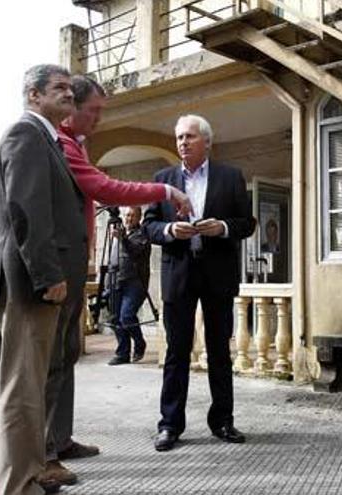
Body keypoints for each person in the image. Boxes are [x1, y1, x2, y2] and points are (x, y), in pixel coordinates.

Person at [38, 75, 193, 487]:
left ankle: (60, 439)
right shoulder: (50, 142)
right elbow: (103, 187)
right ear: (70, 107)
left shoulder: (73, 145)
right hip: (52, 272)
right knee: (48, 365)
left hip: (74, 270)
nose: (100, 118)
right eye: (94, 110)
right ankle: (43, 454)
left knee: (66, 358)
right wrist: (163, 189)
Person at [0, 64, 83, 495]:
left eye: (70, 89)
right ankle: (19, 486)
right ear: (33, 95)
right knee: (24, 392)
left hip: (26, 282)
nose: (69, 95)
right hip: (31, 287)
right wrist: (47, 275)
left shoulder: (46, 139)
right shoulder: (27, 134)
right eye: (59, 88)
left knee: (17, 388)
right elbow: (26, 210)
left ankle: (10, 478)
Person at [143, 114, 255, 451]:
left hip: (217, 274)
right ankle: (170, 425)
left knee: (220, 351)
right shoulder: (163, 180)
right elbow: (148, 225)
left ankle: (223, 421)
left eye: (189, 136)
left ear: (207, 141)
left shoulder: (230, 177)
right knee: (176, 353)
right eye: (179, 137)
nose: (182, 143)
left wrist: (221, 227)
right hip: (178, 273)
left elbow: (246, 223)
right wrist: (168, 231)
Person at [108, 206, 151, 365]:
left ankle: (139, 343)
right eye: (126, 215)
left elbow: (134, 251)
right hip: (116, 280)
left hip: (135, 283)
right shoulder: (118, 232)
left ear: (139, 217)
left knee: (126, 316)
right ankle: (122, 353)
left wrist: (123, 238)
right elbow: (112, 256)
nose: (128, 219)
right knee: (114, 319)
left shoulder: (142, 234)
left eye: (133, 216)